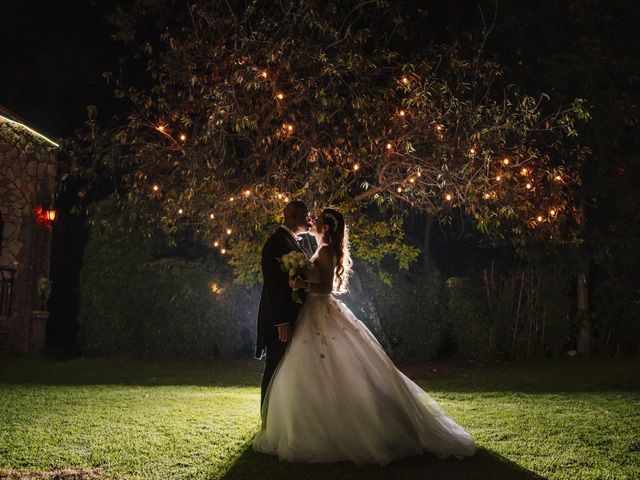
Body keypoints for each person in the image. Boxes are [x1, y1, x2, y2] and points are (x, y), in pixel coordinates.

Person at [253, 208, 476, 466]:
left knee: (325, 370)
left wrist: (302, 285)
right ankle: (313, 423)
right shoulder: (318, 247)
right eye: (309, 217)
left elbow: (325, 288)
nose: (312, 221)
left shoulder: (325, 251)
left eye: (318, 221)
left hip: (319, 312)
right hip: (312, 314)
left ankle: (324, 428)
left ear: (326, 228)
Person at [255, 200, 312, 407]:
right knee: (274, 367)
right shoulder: (276, 243)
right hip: (279, 320)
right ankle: (267, 416)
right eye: (307, 216)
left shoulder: (292, 241)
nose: (310, 221)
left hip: (294, 316)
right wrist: (281, 322)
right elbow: (273, 286)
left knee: (284, 369)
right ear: (293, 217)